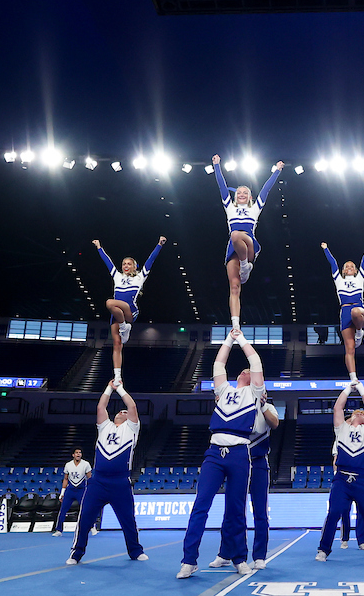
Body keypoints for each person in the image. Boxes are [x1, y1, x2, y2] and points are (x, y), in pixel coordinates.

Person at [179, 329, 265, 578]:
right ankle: (189, 560)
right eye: (244, 370)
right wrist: (229, 339)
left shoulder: (254, 393)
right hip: (215, 452)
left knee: (236, 508)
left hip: (240, 452)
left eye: (250, 372)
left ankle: (239, 558)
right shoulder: (223, 390)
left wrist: (243, 340)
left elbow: (256, 361)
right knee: (201, 505)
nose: (246, 371)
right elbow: (218, 362)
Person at [67, 382, 145, 565]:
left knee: (128, 520)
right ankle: (76, 553)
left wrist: (121, 389)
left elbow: (132, 406)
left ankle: (135, 551)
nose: (122, 412)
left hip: (120, 482)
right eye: (120, 411)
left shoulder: (132, 429)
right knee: (85, 518)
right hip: (98, 481)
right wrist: (110, 388)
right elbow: (101, 406)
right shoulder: (105, 427)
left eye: (124, 412)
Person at [316, 382, 364, 561]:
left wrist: (362, 389)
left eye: (362, 413)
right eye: (356, 412)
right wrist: (348, 389)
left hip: (362, 479)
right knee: (334, 513)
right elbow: (337, 407)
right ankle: (323, 550)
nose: (360, 412)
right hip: (342, 478)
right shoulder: (342, 429)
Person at [213, 155, 285, 330]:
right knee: (235, 287)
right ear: (235, 196)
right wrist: (216, 166)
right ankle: (236, 325)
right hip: (233, 247)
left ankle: (245, 265)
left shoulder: (255, 208)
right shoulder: (229, 207)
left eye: (245, 192)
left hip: (249, 243)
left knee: (236, 235)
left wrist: (276, 171)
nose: (242, 195)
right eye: (239, 193)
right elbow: (222, 186)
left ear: (250, 196)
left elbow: (266, 190)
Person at [210, 397, 279, 570]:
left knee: (260, 511)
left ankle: (259, 556)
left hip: (257, 462)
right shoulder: (237, 405)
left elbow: (275, 423)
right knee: (232, 509)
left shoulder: (268, 406)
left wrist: (262, 405)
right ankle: (225, 553)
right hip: (237, 460)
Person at [92, 236, 166, 384]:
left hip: (130, 310)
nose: (125, 266)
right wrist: (99, 247)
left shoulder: (140, 277)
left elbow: (151, 260)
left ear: (134, 266)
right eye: (124, 263)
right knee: (117, 344)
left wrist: (159, 245)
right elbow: (108, 262)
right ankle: (118, 377)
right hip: (117, 315)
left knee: (110, 302)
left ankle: (126, 326)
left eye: (129, 264)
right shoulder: (117, 277)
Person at [321, 237, 364, 381]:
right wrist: (326, 248)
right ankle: (353, 379)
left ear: (356, 270)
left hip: (359, 309)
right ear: (343, 270)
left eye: (352, 266)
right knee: (349, 349)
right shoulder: (338, 279)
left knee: (356, 312)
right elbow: (333, 263)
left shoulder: (360, 278)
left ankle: (359, 331)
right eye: (346, 266)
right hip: (344, 313)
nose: (349, 267)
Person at [53, 447, 92, 536]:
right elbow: (66, 479)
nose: (78, 454)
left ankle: (91, 526)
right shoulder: (68, 465)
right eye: (76, 452)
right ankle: (59, 530)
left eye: (80, 452)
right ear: (73, 455)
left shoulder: (86, 464)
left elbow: (90, 479)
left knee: (86, 509)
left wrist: (90, 491)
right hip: (70, 490)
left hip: (81, 490)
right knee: (63, 510)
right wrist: (62, 493)